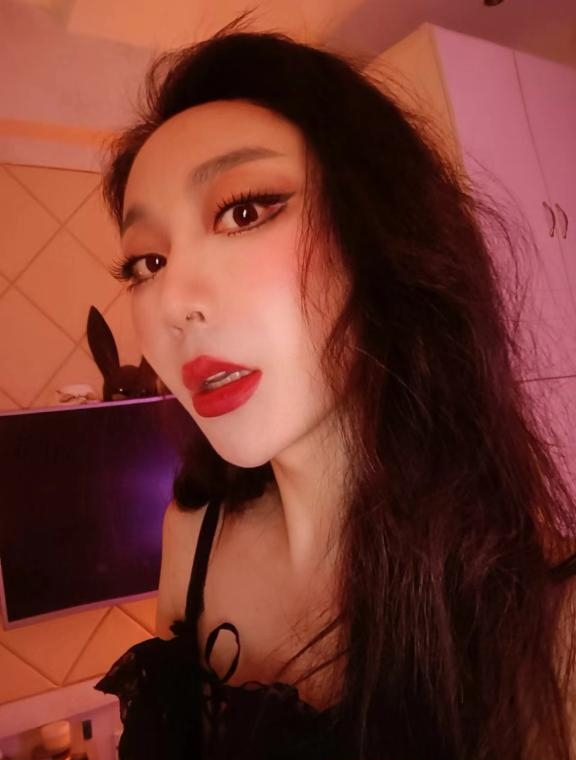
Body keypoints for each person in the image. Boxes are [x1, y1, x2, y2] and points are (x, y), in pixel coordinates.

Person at [94, 12, 576, 760]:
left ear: (376, 234)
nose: (173, 303)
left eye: (244, 210)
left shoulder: (550, 618)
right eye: (146, 263)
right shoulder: (191, 537)